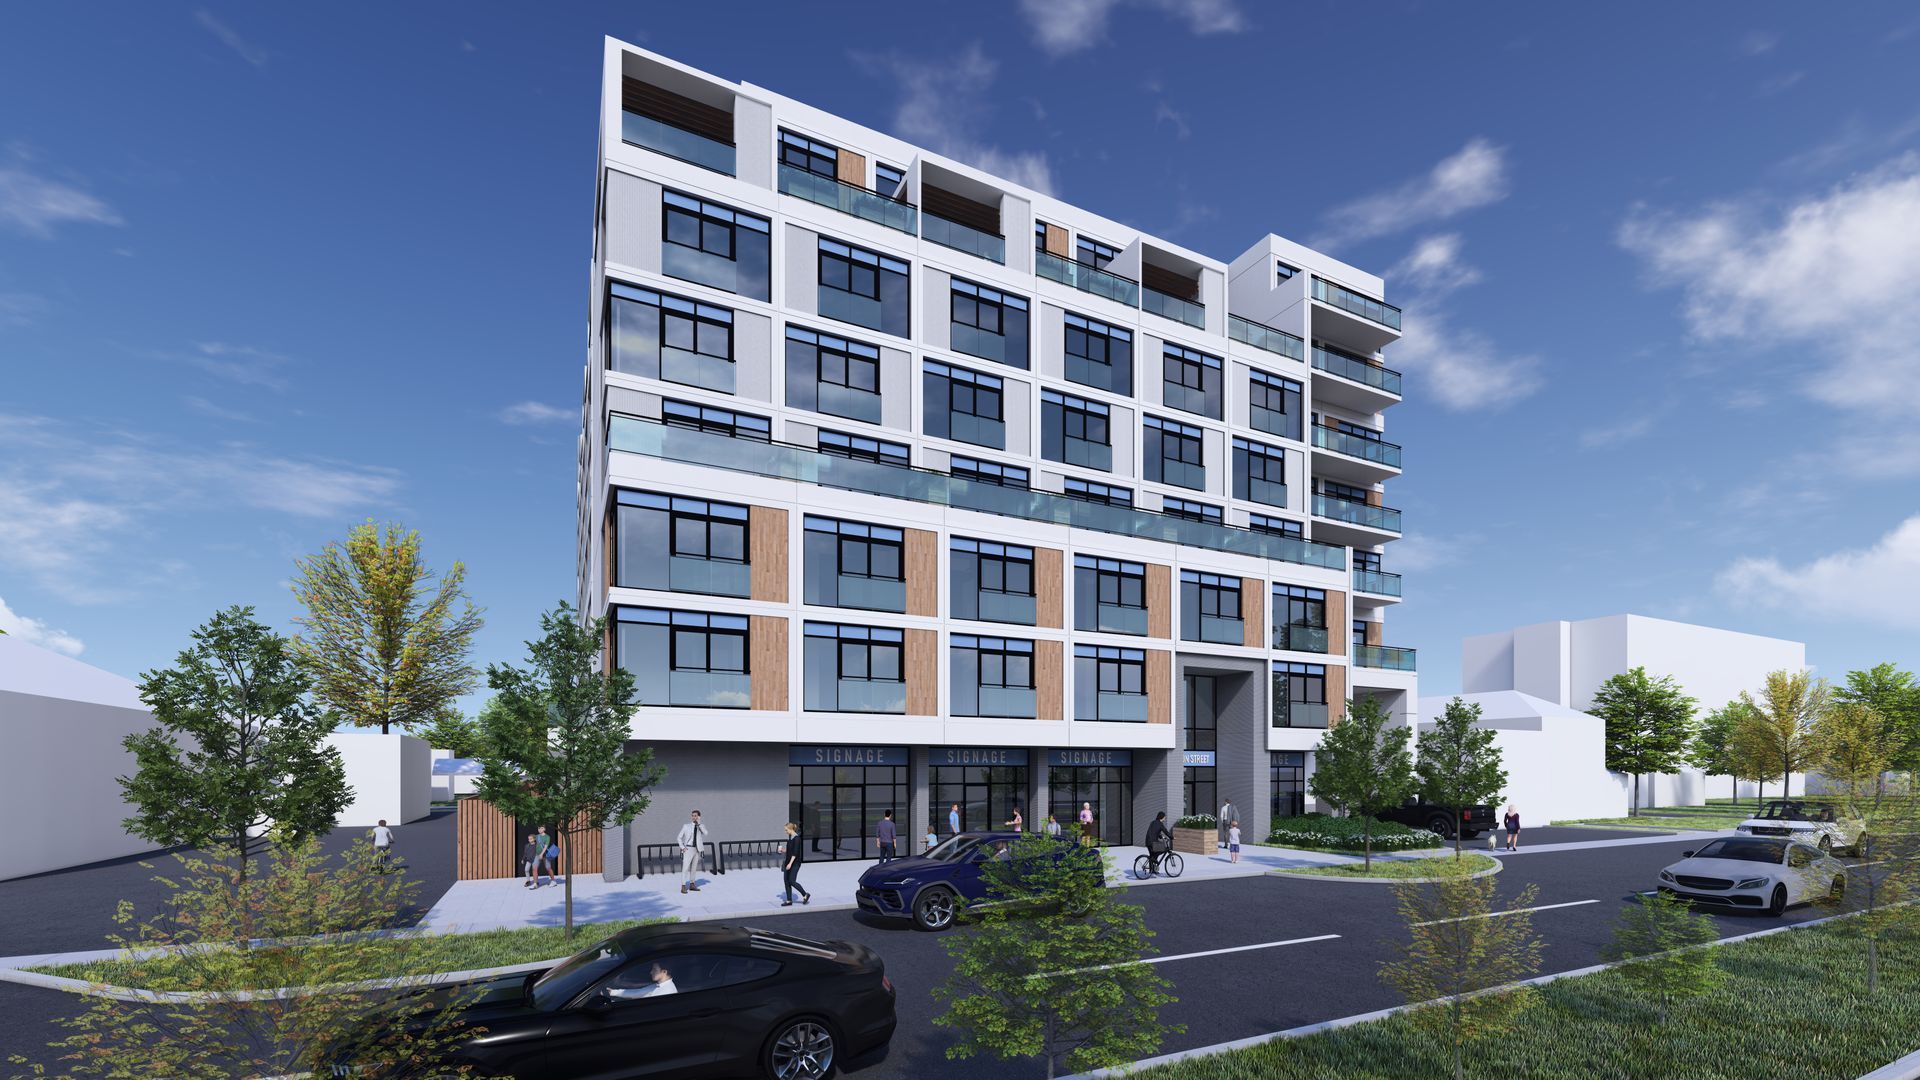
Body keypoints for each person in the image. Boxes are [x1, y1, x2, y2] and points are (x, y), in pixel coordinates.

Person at [780, 821, 811, 907]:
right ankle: (789, 900)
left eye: (786, 830)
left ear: (791, 829)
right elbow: (790, 851)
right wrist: (783, 851)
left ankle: (805, 894)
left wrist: (790, 864)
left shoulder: (797, 839)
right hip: (788, 862)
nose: (785, 832)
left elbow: (795, 853)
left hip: (795, 863)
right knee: (786, 881)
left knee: (792, 881)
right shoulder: (790, 838)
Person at [612, 962, 677, 999]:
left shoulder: (666, 991)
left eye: (654, 969)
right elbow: (638, 993)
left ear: (664, 972)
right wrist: (613, 992)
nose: (651, 972)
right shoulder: (658, 985)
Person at [677, 809, 705, 894]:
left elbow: (705, 833)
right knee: (685, 868)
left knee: (694, 868)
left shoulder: (700, 826)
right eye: (692, 816)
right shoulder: (686, 826)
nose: (693, 817)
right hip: (688, 849)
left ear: (699, 817)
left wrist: (699, 824)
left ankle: (692, 884)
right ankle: (683, 886)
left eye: (695, 816)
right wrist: (682, 847)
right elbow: (679, 837)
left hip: (697, 849)